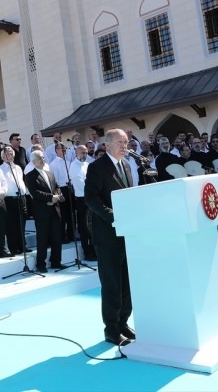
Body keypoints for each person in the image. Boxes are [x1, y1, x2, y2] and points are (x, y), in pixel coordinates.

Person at [84, 129, 134, 346]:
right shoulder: (97, 167)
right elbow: (91, 199)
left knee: (126, 283)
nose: (125, 145)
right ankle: (111, 330)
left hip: (127, 234)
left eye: (127, 141)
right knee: (112, 283)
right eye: (121, 142)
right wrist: (114, 216)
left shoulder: (127, 166)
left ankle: (123, 322)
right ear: (108, 144)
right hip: (108, 235)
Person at [24, 150, 64, 273]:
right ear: (34, 161)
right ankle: (41, 265)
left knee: (57, 237)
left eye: (43, 157)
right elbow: (35, 193)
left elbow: (56, 187)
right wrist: (50, 198)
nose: (43, 160)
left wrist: (56, 197)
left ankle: (56, 262)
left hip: (54, 209)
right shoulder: (30, 176)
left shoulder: (50, 173)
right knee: (43, 239)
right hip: (42, 211)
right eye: (40, 158)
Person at [0, 146, 29, 255]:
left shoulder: (17, 167)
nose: (10, 155)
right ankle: (13, 248)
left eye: (11, 153)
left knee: (22, 223)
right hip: (9, 199)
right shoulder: (1, 169)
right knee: (11, 225)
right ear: (3, 156)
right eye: (7, 153)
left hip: (21, 198)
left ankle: (22, 246)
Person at [69, 145, 96, 261]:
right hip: (82, 200)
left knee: (92, 227)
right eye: (82, 153)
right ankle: (87, 252)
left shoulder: (87, 164)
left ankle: (94, 250)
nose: (85, 155)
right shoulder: (73, 166)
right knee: (84, 228)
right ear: (76, 153)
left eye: (86, 153)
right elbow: (81, 184)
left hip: (91, 198)